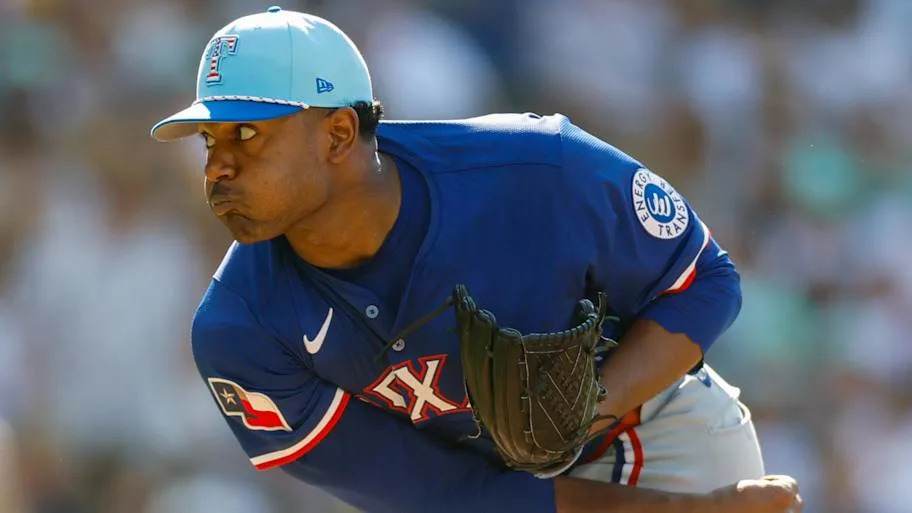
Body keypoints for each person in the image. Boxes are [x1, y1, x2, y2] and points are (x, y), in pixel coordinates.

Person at [151, 6, 802, 513]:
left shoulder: (533, 168)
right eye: (209, 138)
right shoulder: (238, 332)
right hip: (493, 492)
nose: (219, 165)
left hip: (653, 436)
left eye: (247, 134)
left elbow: (705, 281)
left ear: (339, 134)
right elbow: (448, 497)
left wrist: (592, 407)